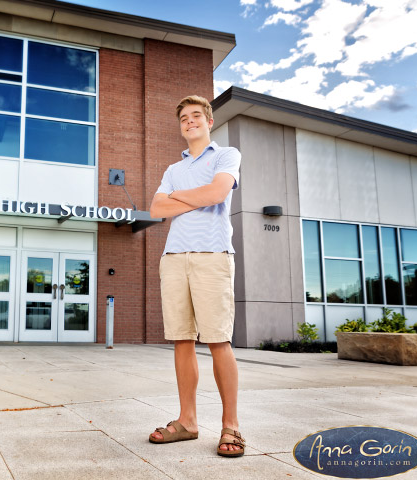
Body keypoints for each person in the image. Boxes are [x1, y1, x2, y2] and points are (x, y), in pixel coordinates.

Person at [148, 95, 244, 457]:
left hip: (212, 256)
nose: (190, 121)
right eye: (184, 118)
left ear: (209, 121)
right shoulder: (173, 169)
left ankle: (231, 425)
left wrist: (181, 199)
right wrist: (197, 197)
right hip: (174, 258)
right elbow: (157, 207)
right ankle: (187, 421)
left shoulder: (226, 155)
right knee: (181, 340)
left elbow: (219, 191)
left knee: (218, 340)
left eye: (196, 116)